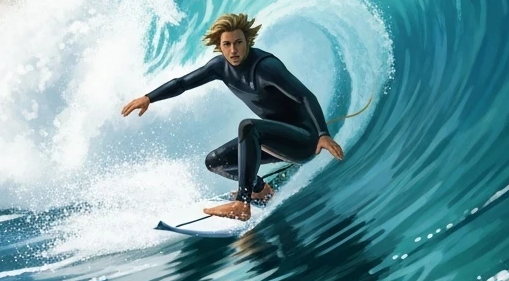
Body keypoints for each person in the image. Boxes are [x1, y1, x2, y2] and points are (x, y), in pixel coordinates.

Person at [121, 11, 344, 221]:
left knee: (249, 127)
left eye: (238, 43)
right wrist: (149, 98)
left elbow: (305, 96)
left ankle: (242, 204)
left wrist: (323, 134)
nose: (233, 50)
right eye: (226, 45)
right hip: (274, 141)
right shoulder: (220, 67)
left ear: (248, 41)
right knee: (215, 162)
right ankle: (258, 189)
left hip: (304, 140)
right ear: (219, 46)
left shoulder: (266, 67)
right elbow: (182, 84)